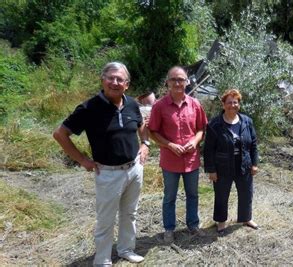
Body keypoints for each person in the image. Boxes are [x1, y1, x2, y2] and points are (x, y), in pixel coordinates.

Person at [53, 62, 149, 265]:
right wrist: (82, 160)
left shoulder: (132, 103)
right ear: (102, 80)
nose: (115, 82)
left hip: (134, 168)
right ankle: (103, 260)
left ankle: (125, 249)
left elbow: (141, 125)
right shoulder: (89, 108)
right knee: (106, 220)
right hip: (108, 173)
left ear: (127, 84)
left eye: (119, 79)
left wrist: (146, 143)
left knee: (130, 213)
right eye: (110, 78)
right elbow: (60, 134)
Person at [148, 66, 208, 242]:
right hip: (170, 160)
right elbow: (153, 131)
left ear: (187, 82)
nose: (177, 83)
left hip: (191, 159)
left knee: (193, 194)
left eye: (181, 79)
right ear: (167, 82)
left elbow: (201, 129)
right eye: (173, 79)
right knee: (169, 197)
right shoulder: (159, 106)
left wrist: (194, 142)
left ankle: (193, 225)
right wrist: (169, 145)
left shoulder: (195, 104)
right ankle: (169, 228)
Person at [203, 89, 259, 234]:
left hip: (244, 164)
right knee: (221, 194)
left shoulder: (247, 121)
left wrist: (254, 164)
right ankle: (221, 221)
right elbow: (208, 149)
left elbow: (253, 144)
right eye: (229, 102)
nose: (232, 105)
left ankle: (246, 218)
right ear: (223, 104)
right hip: (222, 166)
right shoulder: (214, 124)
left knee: (246, 192)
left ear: (239, 104)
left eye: (235, 102)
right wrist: (211, 170)